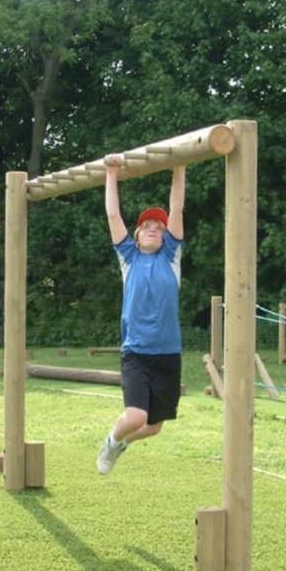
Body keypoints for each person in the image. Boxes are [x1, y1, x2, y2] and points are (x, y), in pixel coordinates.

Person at [97, 155, 186, 474]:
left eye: (158, 227)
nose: (152, 229)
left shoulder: (171, 257)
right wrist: (111, 173)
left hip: (168, 354)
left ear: (165, 237)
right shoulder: (128, 258)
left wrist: (181, 166)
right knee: (135, 416)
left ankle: (121, 444)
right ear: (135, 237)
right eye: (146, 226)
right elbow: (112, 214)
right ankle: (111, 441)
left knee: (153, 427)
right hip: (136, 351)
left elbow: (176, 208)